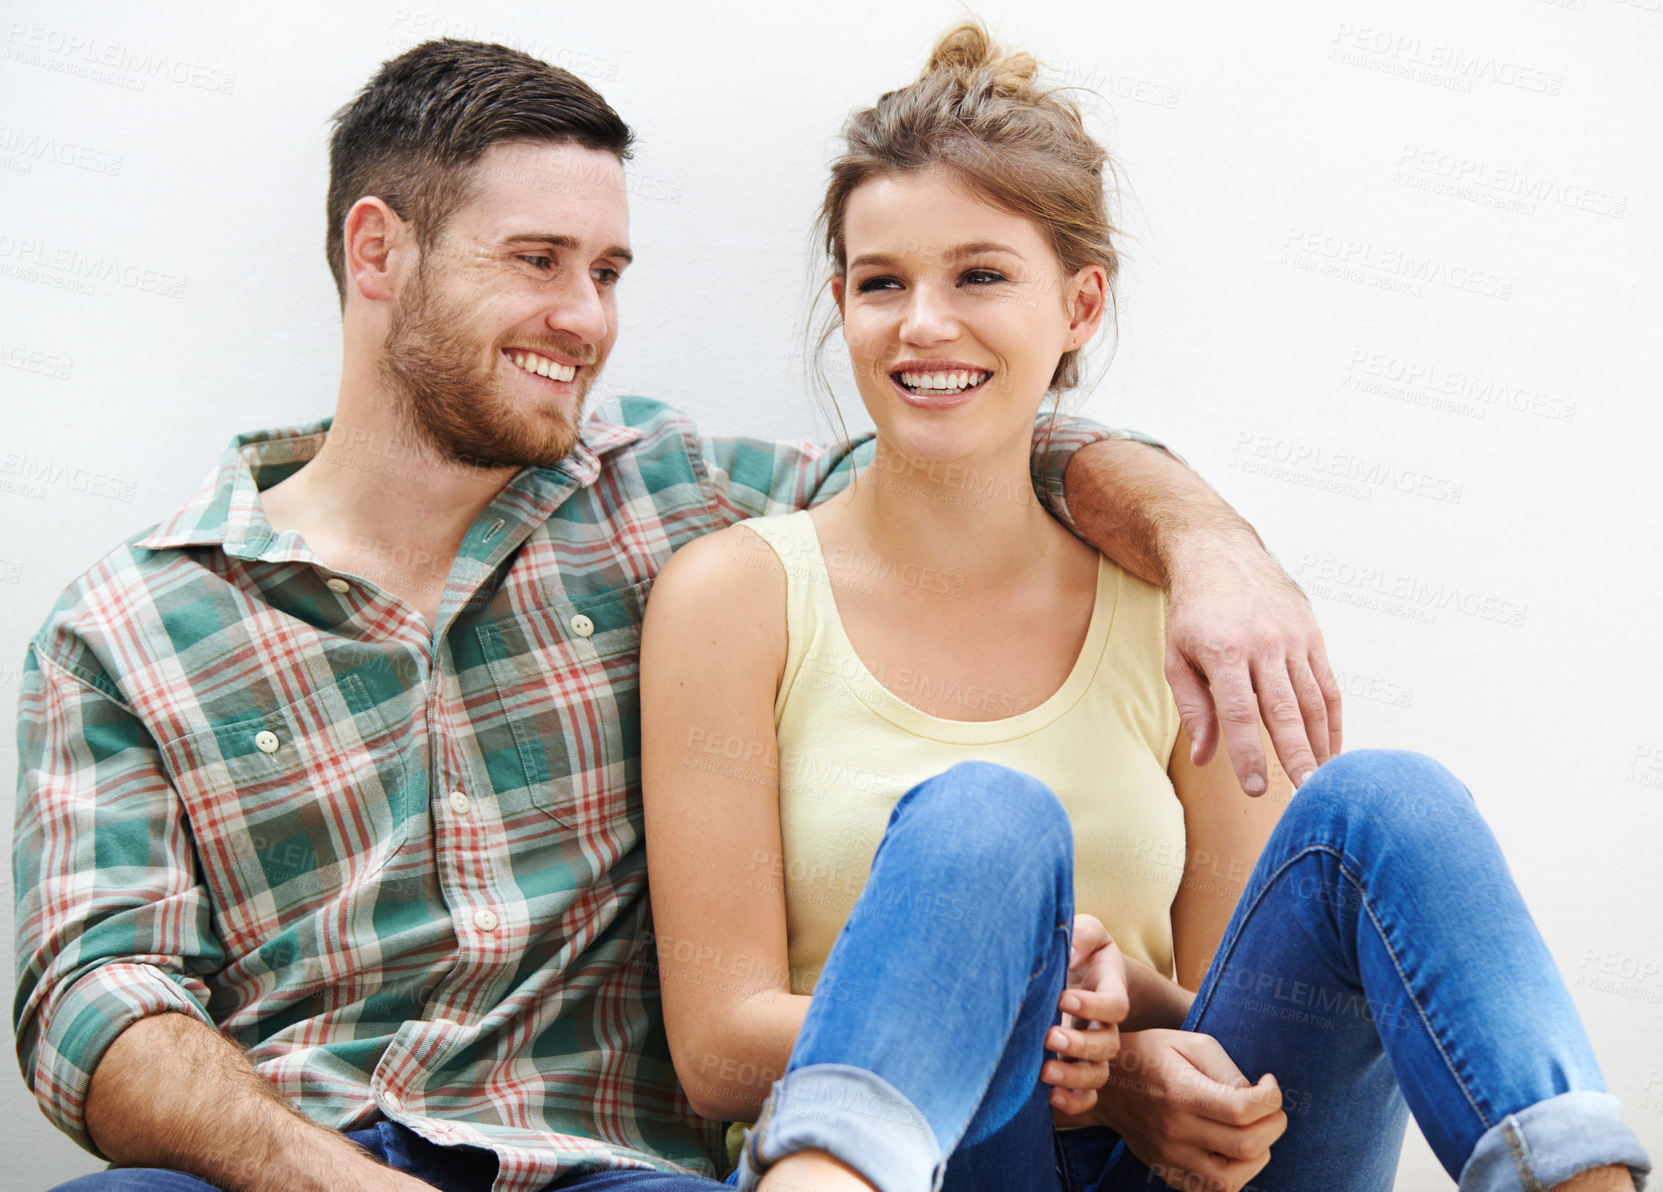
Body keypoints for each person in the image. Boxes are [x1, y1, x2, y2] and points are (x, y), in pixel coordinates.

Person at [12, 37, 1341, 1192]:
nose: (586, 320)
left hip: (609, 1169)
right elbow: (92, 1003)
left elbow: (974, 453)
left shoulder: (672, 501)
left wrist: (1210, 544)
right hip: (292, 1156)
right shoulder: (133, 624)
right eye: (538, 261)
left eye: (609, 269)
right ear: (378, 251)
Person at [637, 24, 1651, 1192]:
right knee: (984, 823)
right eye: (881, 283)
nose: (922, 324)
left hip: (1176, 1174)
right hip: (934, 1165)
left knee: (1388, 800)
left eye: (978, 274)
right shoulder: (734, 594)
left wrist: (1131, 1013)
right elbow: (715, 1049)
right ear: (842, 303)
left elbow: (1227, 1013)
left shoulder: (1178, 614)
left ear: (1079, 304)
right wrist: (1058, 1038)